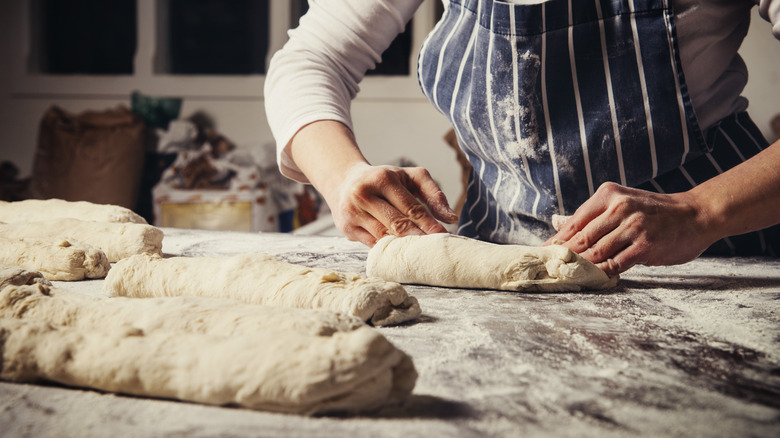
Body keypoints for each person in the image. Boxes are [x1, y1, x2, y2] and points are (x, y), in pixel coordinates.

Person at [265, 0, 780, 277]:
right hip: (499, 265)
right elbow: (313, 58)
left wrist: (699, 212)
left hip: (713, 263)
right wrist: (341, 175)